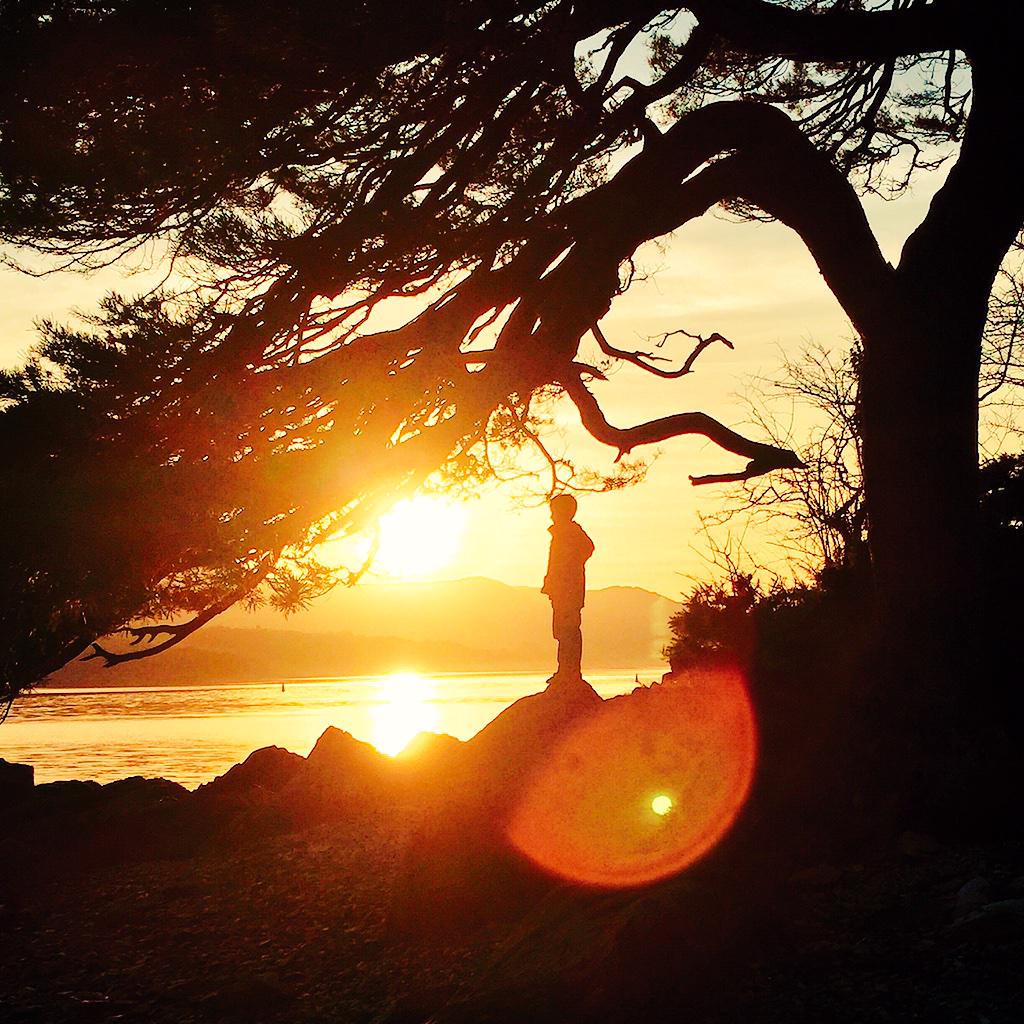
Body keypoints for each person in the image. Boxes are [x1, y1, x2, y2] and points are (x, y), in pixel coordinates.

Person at [541, 494, 594, 683]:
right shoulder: (562, 533)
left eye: (554, 512)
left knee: (568, 630)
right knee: (561, 630)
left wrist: (568, 571)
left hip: (568, 591)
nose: (551, 516)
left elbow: (587, 549)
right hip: (562, 590)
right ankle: (565, 670)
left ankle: (569, 672)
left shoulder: (570, 533)